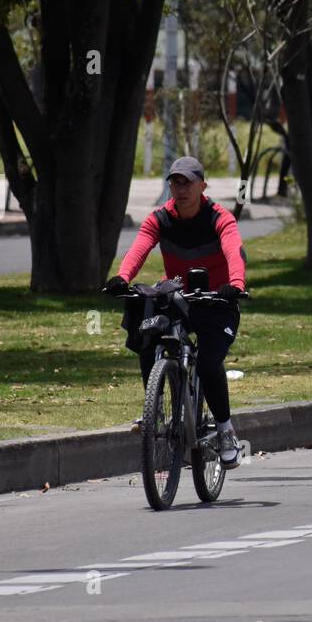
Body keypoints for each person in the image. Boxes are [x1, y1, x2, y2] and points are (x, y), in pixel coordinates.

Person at [102, 156, 246, 467]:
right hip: (180, 299)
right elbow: (140, 247)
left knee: (208, 364)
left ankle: (225, 431)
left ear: (202, 186)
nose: (180, 189)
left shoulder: (219, 217)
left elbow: (233, 249)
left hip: (217, 302)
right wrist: (123, 278)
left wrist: (234, 284)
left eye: (187, 183)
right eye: (175, 182)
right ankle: (154, 411)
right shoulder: (160, 218)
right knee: (147, 331)